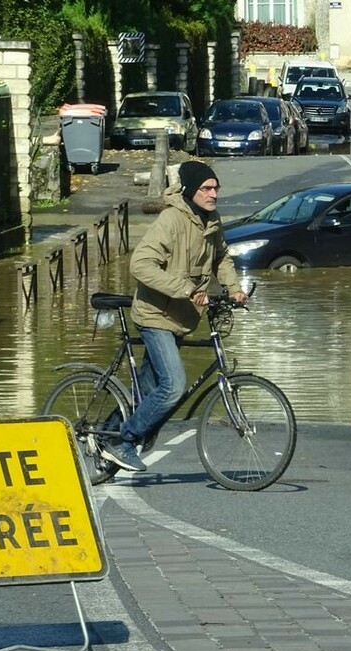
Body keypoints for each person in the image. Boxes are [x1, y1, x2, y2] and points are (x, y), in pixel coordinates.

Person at [100, 161, 249, 473]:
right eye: (206, 189)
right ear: (191, 191)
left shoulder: (212, 220)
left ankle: (108, 434)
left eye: (216, 188)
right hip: (155, 315)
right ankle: (123, 440)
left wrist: (234, 289)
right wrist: (185, 289)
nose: (214, 194)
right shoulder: (171, 220)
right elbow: (140, 264)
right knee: (174, 386)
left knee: (147, 389)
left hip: (182, 318)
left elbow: (221, 257)